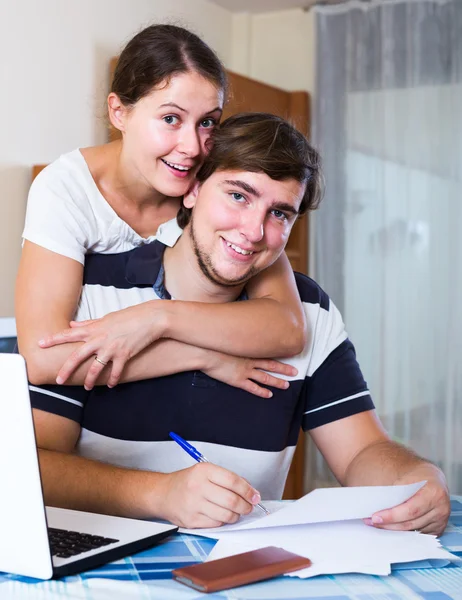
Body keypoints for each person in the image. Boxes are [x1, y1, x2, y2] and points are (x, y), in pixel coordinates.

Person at [29, 113, 450, 535]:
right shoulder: (92, 292)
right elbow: (34, 467)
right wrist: (158, 494)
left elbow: (363, 451)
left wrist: (416, 480)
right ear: (192, 190)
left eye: (279, 214)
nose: (253, 231)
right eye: (238, 196)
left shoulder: (311, 312)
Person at [15, 24, 306, 400]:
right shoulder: (65, 190)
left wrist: (157, 318)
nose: (192, 147)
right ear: (119, 112)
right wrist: (204, 357)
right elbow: (44, 358)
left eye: (207, 123)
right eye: (171, 119)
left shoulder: (212, 187)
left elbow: (287, 326)